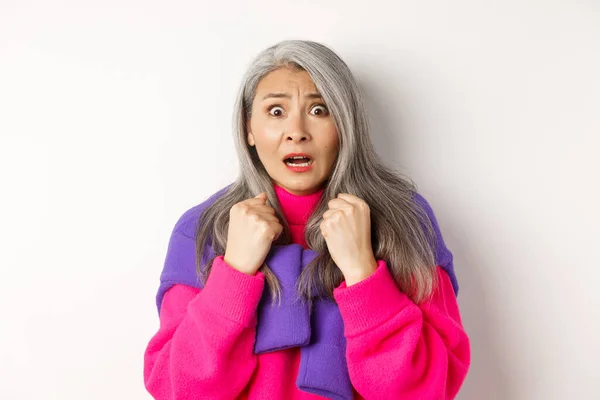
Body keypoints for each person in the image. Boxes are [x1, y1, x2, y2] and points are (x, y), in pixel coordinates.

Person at [143, 39, 471, 400]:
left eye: (318, 110)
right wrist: (233, 274)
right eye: (276, 112)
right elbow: (176, 389)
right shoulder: (201, 229)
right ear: (248, 127)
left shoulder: (404, 219)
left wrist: (363, 273)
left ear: (346, 124)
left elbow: (430, 390)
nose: (296, 131)